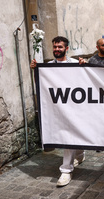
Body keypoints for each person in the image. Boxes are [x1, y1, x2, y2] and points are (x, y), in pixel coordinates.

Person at [30, 36, 85, 187]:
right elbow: (41, 84)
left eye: (60, 47)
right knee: (72, 133)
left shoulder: (75, 63)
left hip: (74, 106)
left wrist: (85, 65)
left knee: (70, 134)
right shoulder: (48, 66)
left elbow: (86, 80)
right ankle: (80, 154)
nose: (56, 50)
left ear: (66, 48)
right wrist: (36, 70)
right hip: (58, 107)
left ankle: (66, 170)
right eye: (55, 47)